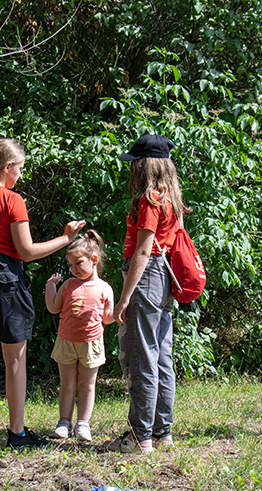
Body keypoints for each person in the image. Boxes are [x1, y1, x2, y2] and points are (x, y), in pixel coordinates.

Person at [0, 138, 86, 453]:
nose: (21, 176)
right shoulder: (13, 201)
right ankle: (17, 434)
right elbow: (25, 252)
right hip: (5, 281)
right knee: (15, 361)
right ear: (8, 167)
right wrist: (66, 239)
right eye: (20, 169)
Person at [110, 134, 188, 455]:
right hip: (165, 276)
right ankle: (162, 433)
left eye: (135, 165)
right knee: (161, 357)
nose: (132, 171)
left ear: (144, 167)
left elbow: (143, 251)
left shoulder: (150, 201)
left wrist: (125, 297)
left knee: (143, 356)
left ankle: (139, 437)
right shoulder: (171, 198)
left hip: (147, 275)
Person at [44, 230, 115, 442]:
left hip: (91, 344)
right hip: (66, 342)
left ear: (94, 260)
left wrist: (120, 310)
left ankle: (83, 424)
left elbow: (108, 318)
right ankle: (64, 422)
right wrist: (50, 287)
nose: (73, 269)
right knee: (67, 383)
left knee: (87, 385)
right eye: (71, 265)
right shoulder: (68, 284)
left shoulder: (104, 288)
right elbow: (53, 308)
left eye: (78, 263)